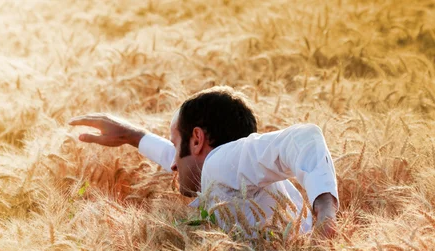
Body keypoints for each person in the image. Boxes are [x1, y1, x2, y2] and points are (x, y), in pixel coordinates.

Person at [69, 86, 338, 238]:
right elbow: (184, 162)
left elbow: (305, 137)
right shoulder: (230, 167)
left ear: (197, 139)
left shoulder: (218, 163)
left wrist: (326, 218)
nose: (172, 165)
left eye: (176, 143)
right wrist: (132, 135)